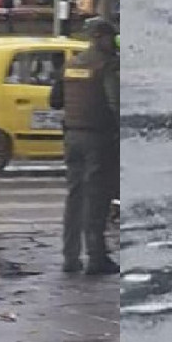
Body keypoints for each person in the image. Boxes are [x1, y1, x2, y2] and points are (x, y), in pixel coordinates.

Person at [49, 17, 119, 275]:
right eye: (111, 38)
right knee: (97, 198)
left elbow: (54, 100)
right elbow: (115, 103)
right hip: (98, 139)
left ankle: (70, 257)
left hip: (72, 138)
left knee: (74, 197)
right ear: (100, 37)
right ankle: (96, 257)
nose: (113, 43)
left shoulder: (70, 66)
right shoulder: (107, 65)